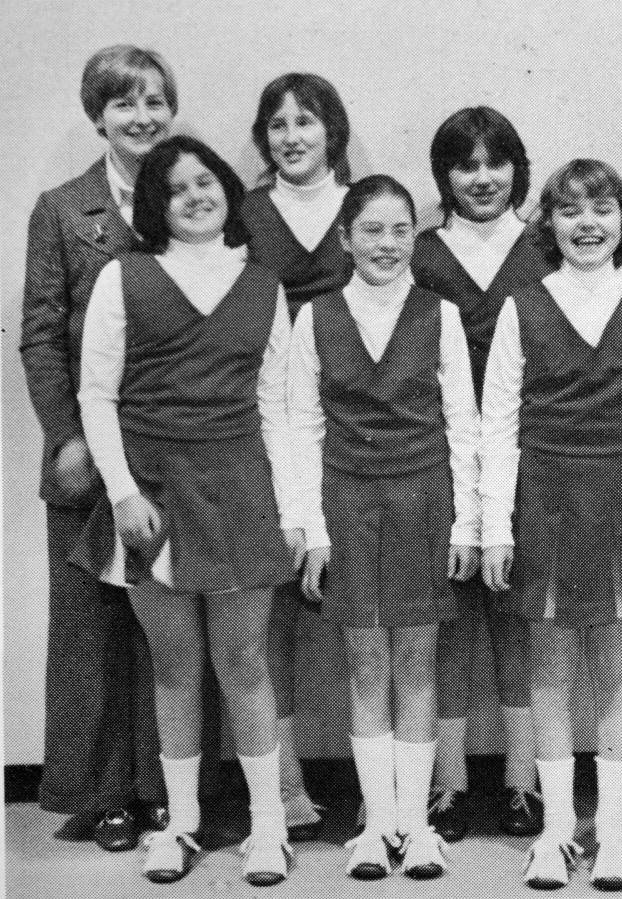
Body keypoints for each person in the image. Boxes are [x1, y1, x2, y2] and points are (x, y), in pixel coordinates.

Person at [73, 135, 296, 885]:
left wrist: (291, 510)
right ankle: (183, 824)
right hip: (152, 494)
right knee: (174, 667)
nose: (195, 196)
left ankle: (270, 830)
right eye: (176, 188)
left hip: (238, 491)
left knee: (244, 662)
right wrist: (123, 491)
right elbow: (95, 395)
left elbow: (278, 410)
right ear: (154, 204)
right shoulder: (123, 278)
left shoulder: (264, 285)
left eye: (206, 181)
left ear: (228, 189)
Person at [481, 159, 622, 890]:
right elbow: (498, 424)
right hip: (543, 496)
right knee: (549, 667)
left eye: (601, 208)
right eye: (570, 210)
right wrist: (495, 527)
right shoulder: (524, 303)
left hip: (621, 496)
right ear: (548, 223)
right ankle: (554, 830)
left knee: (615, 664)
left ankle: (610, 833)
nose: (586, 223)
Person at [19, 43, 218, 853]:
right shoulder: (63, 209)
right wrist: (66, 436)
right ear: (97, 114)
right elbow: (38, 335)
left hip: (171, 451)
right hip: (88, 459)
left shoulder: (188, 197)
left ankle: (168, 791)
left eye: (156, 102)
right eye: (125, 103)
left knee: (168, 625)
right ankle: (106, 796)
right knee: (95, 625)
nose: (143, 118)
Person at [295, 175, 480, 880]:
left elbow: (464, 424)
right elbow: (300, 427)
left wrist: (467, 522)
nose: (387, 243)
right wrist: (311, 528)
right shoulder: (316, 319)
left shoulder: (440, 314)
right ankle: (376, 823)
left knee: (416, 662)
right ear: (345, 238)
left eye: (401, 229)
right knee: (366, 663)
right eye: (371, 229)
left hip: (423, 501)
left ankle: (416, 822)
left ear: (415, 237)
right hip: (346, 503)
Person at [411, 106, 554, 840]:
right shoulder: (420, 251)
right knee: (451, 626)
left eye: (494, 162)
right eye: (464, 165)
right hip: (435, 459)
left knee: (518, 621)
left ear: (515, 169)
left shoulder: (543, 247)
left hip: (526, 457)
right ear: (444, 177)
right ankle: (450, 783)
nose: (481, 178)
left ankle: (523, 781)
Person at [242, 71, 356, 841]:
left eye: (305, 122)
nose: (291, 136)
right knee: (273, 605)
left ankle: (389, 781)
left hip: (352, 419)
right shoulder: (244, 214)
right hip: (264, 417)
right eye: (277, 124)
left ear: (332, 131)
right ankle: (283, 783)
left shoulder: (367, 210)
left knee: (361, 604)